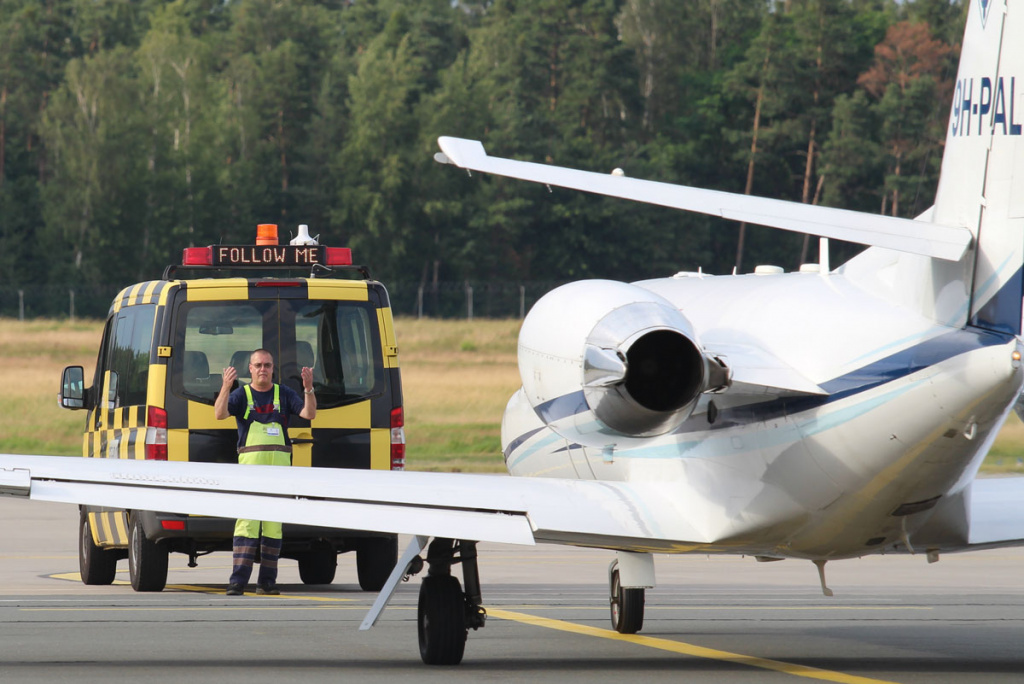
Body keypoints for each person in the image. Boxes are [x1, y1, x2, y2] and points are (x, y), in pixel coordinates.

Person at [215, 348, 316, 595]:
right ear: (250, 368)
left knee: (273, 527)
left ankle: (267, 582)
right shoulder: (242, 394)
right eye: (258, 365)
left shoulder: (284, 393)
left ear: (273, 368)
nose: (263, 369)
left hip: (279, 477)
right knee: (247, 525)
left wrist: (309, 389)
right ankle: (237, 582)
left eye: (267, 365)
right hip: (250, 476)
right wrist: (226, 387)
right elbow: (219, 414)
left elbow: (309, 413)